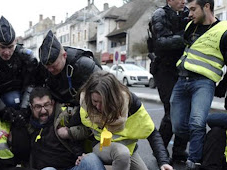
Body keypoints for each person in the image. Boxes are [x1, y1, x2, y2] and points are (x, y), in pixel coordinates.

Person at [169, 0, 227, 169]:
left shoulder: (223, 31)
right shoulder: (190, 27)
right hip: (182, 80)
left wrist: (223, 85)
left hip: (204, 83)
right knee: (178, 126)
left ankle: (194, 162)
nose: (190, 13)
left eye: (193, 9)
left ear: (207, 7)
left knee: (197, 123)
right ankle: (199, 143)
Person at [79, 71, 173, 170]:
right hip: (101, 147)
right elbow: (75, 129)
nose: (98, 106)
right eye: (95, 101)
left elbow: (152, 133)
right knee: (122, 153)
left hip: (129, 151)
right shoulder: (85, 102)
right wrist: (80, 155)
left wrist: (163, 162)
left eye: (103, 102)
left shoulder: (130, 103)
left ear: (113, 99)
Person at [149, 0, 190, 162]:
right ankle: (160, 150)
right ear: (169, 0)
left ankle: (179, 151)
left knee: (184, 111)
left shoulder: (189, 13)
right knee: (171, 111)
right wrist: (186, 37)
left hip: (184, 68)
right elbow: (161, 42)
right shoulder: (160, 14)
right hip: (164, 69)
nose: (183, 1)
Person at [27, 87, 105, 170]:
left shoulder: (66, 112)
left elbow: (88, 129)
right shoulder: (27, 124)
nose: (43, 110)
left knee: (91, 159)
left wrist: (69, 133)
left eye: (47, 105)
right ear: (31, 107)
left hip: (73, 166)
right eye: (38, 107)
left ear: (53, 103)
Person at [36, 30, 101, 107]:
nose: (50, 70)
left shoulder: (83, 64)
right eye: (47, 67)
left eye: (54, 66)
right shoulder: (42, 67)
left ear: (64, 55)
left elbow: (102, 85)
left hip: (85, 104)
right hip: (59, 103)